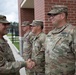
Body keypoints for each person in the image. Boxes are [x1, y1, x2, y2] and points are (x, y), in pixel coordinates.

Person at [45, 5, 76, 75]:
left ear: (62, 15)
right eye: (50, 16)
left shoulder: (72, 32)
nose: (50, 18)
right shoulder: (50, 33)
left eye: (53, 15)